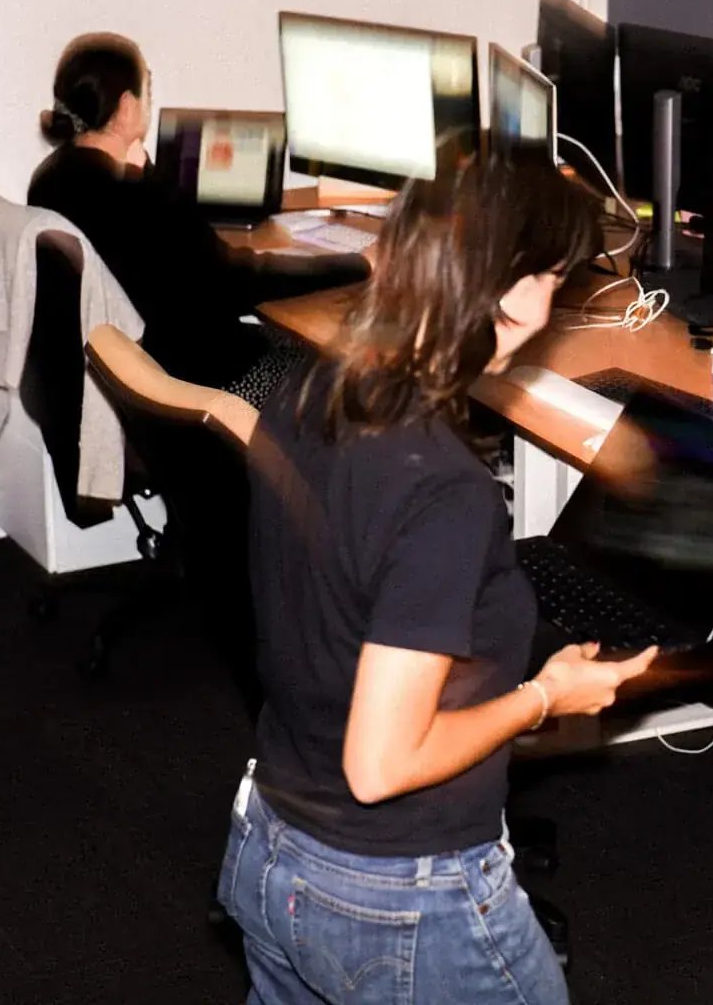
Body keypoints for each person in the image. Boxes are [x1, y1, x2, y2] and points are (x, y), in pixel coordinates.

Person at [219, 150, 655, 1004]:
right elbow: (379, 766)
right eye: (556, 277)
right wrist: (545, 697)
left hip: (270, 850)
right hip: (397, 900)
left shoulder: (301, 389)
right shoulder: (443, 491)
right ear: (515, 289)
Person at [27, 32, 365, 404]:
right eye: (147, 89)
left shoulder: (51, 180)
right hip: (211, 382)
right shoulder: (137, 200)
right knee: (359, 371)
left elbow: (180, 256)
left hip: (151, 381)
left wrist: (144, 171)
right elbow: (236, 284)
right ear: (125, 108)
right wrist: (357, 264)